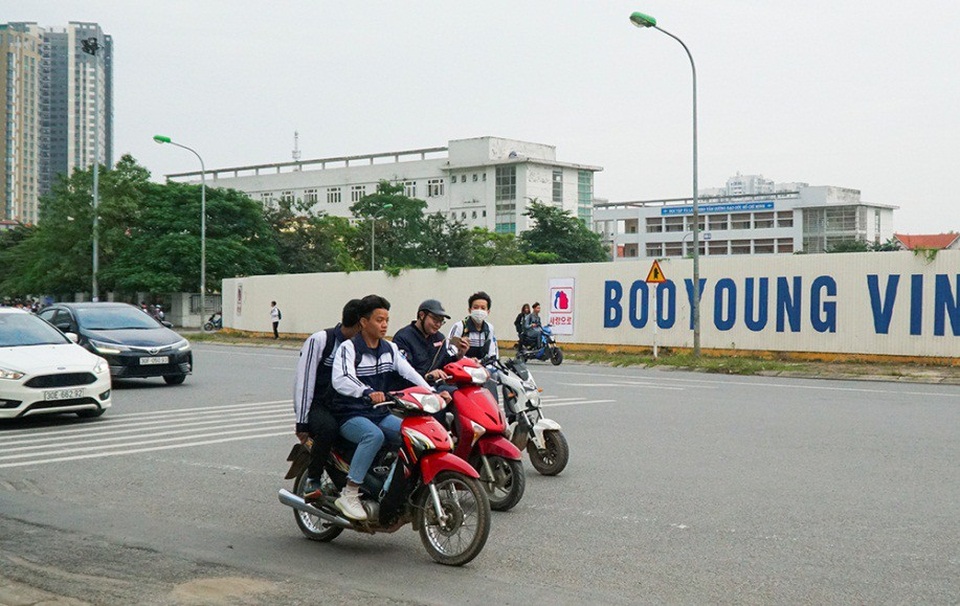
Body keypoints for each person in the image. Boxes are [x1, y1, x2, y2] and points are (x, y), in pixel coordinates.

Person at [329, 294, 439, 521]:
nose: (384, 325)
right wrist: (367, 392)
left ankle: (390, 486)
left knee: (412, 434)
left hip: (378, 412)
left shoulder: (389, 348)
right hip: (350, 414)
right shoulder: (349, 348)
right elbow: (342, 378)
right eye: (379, 320)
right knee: (373, 435)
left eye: (387, 319)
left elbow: (409, 372)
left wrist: (433, 392)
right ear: (363, 322)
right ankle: (349, 492)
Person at [292, 299, 363, 500]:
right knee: (328, 428)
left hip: (344, 406)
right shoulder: (322, 340)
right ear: (360, 324)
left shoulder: (359, 346)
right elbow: (304, 382)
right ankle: (312, 480)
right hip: (318, 405)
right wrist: (302, 423)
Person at [393, 299, 468, 383]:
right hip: (411, 388)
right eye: (435, 320)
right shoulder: (403, 338)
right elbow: (403, 373)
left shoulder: (439, 338)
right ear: (421, 315)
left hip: (435, 387)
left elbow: (444, 363)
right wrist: (428, 376)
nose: (438, 325)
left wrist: (459, 355)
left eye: (441, 321)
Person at [449, 291, 499, 361]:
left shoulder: (489, 328)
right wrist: (467, 360)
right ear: (469, 310)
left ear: (488, 312)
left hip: (482, 367)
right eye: (475, 307)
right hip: (461, 366)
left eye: (483, 308)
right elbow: (450, 349)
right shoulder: (460, 326)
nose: (479, 310)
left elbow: (493, 352)